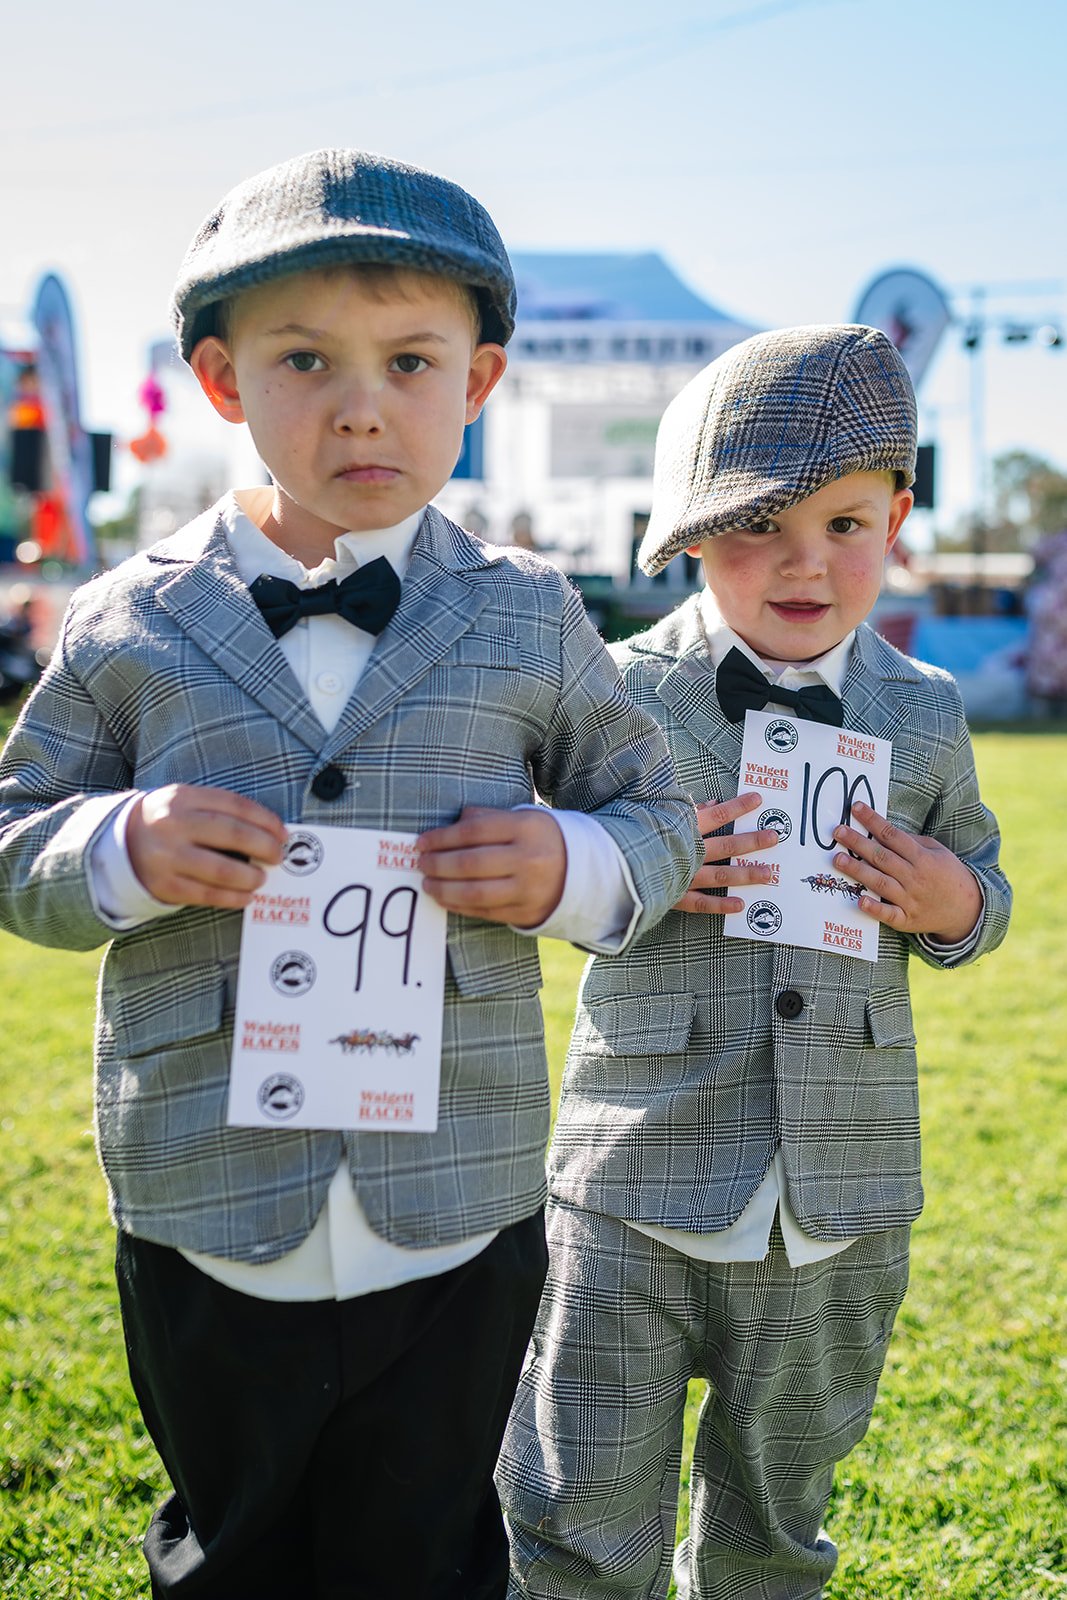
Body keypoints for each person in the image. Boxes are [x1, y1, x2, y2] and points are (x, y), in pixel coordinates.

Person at [0, 148, 702, 1600]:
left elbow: (658, 821)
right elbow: (16, 840)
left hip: (459, 1198)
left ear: (480, 380)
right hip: (203, 1192)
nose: (361, 401)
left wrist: (564, 859)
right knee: (231, 1547)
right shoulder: (128, 618)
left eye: (409, 360)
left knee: (432, 1548)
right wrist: (120, 848)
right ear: (219, 380)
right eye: (304, 360)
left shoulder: (527, 618)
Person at [497, 324, 1012, 1600]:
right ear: (681, 539)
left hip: (838, 1193)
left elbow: (981, 889)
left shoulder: (925, 711)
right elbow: (530, 882)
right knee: (575, 1502)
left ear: (895, 516)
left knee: (776, 1517)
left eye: (843, 524)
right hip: (633, 1175)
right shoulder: (619, 694)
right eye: (756, 530)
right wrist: (629, 867)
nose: (804, 563)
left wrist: (951, 902)